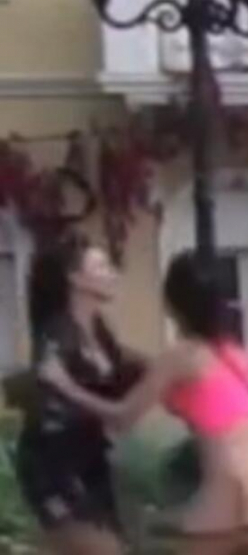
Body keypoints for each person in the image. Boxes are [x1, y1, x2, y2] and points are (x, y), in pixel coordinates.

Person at [41, 250, 248, 555]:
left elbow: (122, 417)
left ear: (172, 303)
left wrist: (65, 386)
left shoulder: (179, 357)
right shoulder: (231, 352)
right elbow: (202, 389)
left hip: (234, 476)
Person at [16, 234, 144, 555]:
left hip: (90, 462)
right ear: (75, 278)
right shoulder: (58, 337)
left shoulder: (99, 331)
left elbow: (123, 381)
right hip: (55, 467)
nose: (111, 273)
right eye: (101, 266)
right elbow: (50, 419)